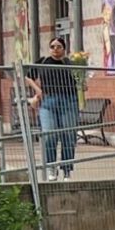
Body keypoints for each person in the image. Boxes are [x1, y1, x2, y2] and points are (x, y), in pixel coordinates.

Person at [25, 42, 83, 178]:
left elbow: (80, 80)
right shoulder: (43, 61)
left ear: (64, 49)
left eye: (58, 47)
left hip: (69, 100)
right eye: (52, 46)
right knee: (49, 134)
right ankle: (51, 166)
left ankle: (67, 170)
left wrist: (82, 84)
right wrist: (38, 90)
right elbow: (28, 76)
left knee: (68, 135)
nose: (55, 49)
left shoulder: (70, 63)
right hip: (48, 102)